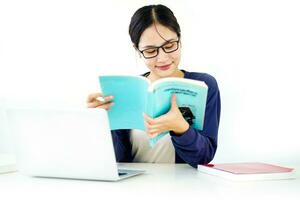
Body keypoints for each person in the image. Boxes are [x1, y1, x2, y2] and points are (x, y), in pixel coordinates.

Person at [87, 4, 221, 168]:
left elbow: (204, 157)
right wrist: (101, 122)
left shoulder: (204, 85)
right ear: (137, 50)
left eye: (170, 45)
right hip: (133, 188)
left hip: (185, 188)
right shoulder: (128, 89)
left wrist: (182, 129)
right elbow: (117, 159)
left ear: (180, 39)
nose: (163, 58)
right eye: (150, 51)